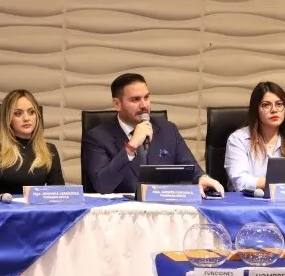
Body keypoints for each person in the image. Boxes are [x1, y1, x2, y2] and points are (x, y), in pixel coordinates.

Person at [82, 72, 224, 196]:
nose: (144, 105)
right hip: (120, 213)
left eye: (146, 97)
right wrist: (131, 146)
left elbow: (191, 169)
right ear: (117, 104)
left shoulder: (168, 130)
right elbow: (102, 186)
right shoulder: (97, 137)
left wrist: (202, 178)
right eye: (135, 99)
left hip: (164, 209)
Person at [0, 89, 64, 196]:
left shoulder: (49, 149)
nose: (26, 118)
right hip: (2, 205)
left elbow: (59, 194)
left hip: (35, 207)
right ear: (8, 118)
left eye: (31, 112)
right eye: (18, 113)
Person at [224, 81, 285, 191]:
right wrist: (283, 183)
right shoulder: (238, 139)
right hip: (248, 200)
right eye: (266, 105)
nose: (274, 110)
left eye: (279, 104)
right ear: (256, 109)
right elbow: (240, 182)